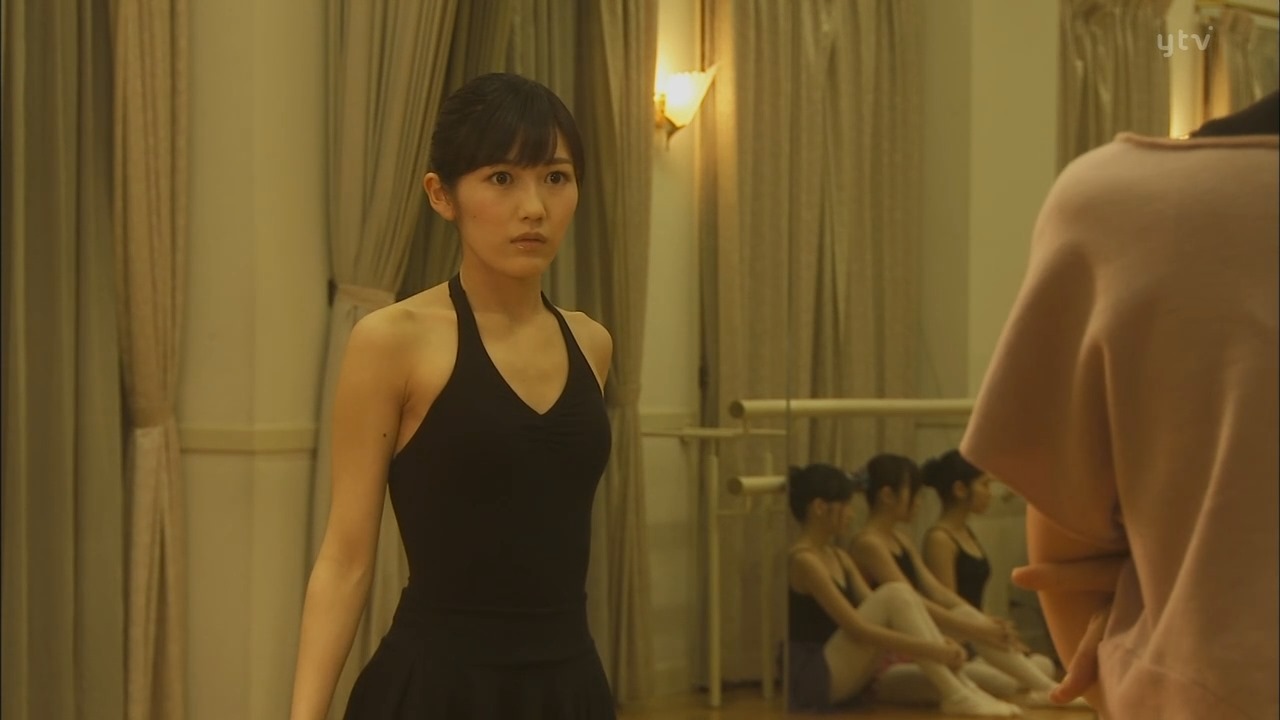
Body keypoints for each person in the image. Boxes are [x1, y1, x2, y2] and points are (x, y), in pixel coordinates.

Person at [289, 73, 616, 720]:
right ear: (442, 195)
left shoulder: (592, 343)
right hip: (436, 689)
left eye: (555, 177)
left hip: (568, 687)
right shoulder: (393, 340)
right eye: (502, 178)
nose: (534, 207)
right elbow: (346, 558)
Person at [961, 90, 1279, 719]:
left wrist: (1169, 641)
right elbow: (1064, 567)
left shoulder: (1126, 204)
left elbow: (1064, 559)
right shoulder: (1125, 207)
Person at [848, 453, 1085, 709]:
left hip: (925, 651)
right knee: (1000, 679)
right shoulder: (868, 543)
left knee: (1038, 664)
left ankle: (1046, 690)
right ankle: (1032, 692)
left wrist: (987, 626)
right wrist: (977, 630)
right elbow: (913, 601)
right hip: (891, 662)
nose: (918, 502)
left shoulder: (901, 540)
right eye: (913, 493)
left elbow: (937, 591)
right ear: (887, 496)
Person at [786, 463, 1023, 716]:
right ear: (820, 508)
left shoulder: (839, 557)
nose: (851, 514)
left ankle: (964, 691)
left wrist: (937, 640)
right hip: (816, 675)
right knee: (896, 591)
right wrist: (931, 648)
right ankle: (958, 694)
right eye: (845, 506)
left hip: (848, 671)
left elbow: (881, 610)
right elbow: (857, 628)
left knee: (898, 593)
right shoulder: (804, 560)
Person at [920, 450, 1057, 677]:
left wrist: (999, 631)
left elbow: (975, 602)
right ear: (960, 489)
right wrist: (987, 632)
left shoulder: (966, 533)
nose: (990, 494)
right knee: (1010, 679)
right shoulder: (940, 539)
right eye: (984, 485)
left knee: (1044, 664)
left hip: (980, 636)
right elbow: (950, 606)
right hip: (960, 639)